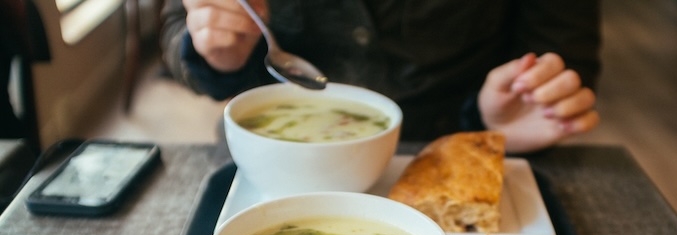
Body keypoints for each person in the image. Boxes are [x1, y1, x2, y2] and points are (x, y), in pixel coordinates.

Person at [161, 0, 601, 153]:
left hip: (453, 149)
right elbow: (175, 31)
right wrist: (216, 54)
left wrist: (508, 110)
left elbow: (563, 56)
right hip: (271, 156)